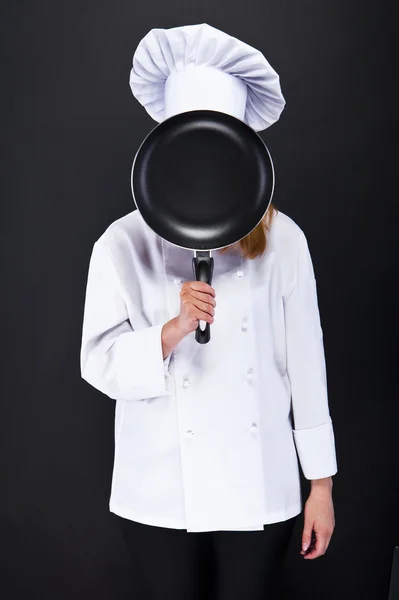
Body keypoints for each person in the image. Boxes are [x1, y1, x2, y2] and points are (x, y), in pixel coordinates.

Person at [80, 23, 338, 600]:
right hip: (158, 492)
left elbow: (307, 367)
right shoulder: (121, 243)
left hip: (262, 486)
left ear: (245, 153)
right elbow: (98, 361)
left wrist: (320, 485)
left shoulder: (285, 241)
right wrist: (168, 333)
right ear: (166, 149)